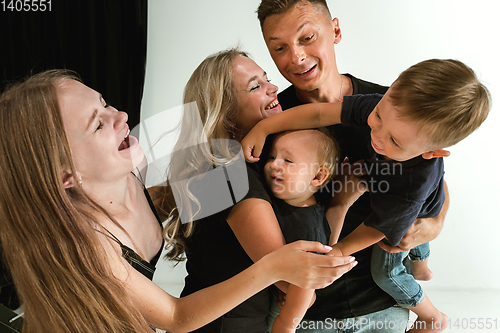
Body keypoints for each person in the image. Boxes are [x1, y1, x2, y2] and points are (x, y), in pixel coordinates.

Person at [0, 69, 359, 333]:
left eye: (106, 103)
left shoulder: (133, 177)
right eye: (97, 124)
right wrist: (273, 269)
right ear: (66, 175)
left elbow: (185, 197)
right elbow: (176, 317)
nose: (121, 116)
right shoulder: (88, 243)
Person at [241, 58, 491, 332]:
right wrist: (265, 127)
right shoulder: (384, 104)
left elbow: (377, 228)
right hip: (382, 197)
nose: (378, 136)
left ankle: (432, 316)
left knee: (386, 267)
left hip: (405, 216)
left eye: (395, 141)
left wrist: (337, 252)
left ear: (432, 152)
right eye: (379, 118)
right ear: (390, 90)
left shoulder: (413, 183)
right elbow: (319, 114)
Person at [255, 1, 450, 332]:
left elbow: (432, 181)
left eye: (307, 38)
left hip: (380, 307)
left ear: (335, 31)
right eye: (279, 47)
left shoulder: (387, 108)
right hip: (300, 314)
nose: (296, 57)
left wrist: (434, 224)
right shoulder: (271, 120)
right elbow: (228, 197)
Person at [151, 48, 360, 333]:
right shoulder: (233, 175)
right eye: (256, 86)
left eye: (267, 79)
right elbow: (292, 277)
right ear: (226, 114)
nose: (274, 88)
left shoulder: (222, 167)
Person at [263, 129, 366, 332]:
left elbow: (307, 281)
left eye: (288, 161)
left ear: (318, 176)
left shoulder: (307, 228)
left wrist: (285, 324)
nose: (274, 164)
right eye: (272, 157)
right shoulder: (290, 202)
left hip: (284, 310)